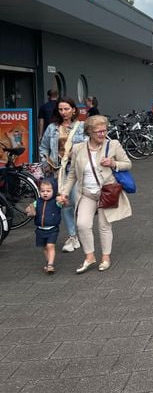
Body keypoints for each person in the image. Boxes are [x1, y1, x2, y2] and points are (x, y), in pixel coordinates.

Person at [58, 115, 132, 274]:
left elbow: (128, 164)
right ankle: (89, 257)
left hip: (107, 192)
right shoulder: (78, 148)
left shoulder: (113, 145)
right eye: (98, 131)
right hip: (86, 193)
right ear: (89, 132)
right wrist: (64, 192)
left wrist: (114, 163)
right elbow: (72, 175)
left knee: (104, 226)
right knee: (82, 224)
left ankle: (105, 257)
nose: (102, 134)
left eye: (104, 130)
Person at [39, 97, 85, 253]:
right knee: (65, 203)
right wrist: (46, 164)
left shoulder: (81, 127)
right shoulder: (52, 128)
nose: (63, 112)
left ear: (73, 109)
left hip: (75, 171)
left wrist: (77, 155)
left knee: (76, 203)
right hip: (57, 172)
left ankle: (82, 232)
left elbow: (88, 148)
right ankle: (73, 237)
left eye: (66, 109)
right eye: (60, 109)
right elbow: (43, 148)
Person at [25, 177, 62, 274]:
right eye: (42, 191)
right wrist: (29, 210)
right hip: (40, 229)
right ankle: (48, 261)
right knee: (44, 247)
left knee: (50, 246)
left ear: (54, 191)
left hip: (52, 229)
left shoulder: (56, 202)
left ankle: (50, 264)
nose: (45, 193)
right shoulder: (37, 202)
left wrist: (63, 199)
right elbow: (28, 209)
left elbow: (64, 203)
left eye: (48, 191)